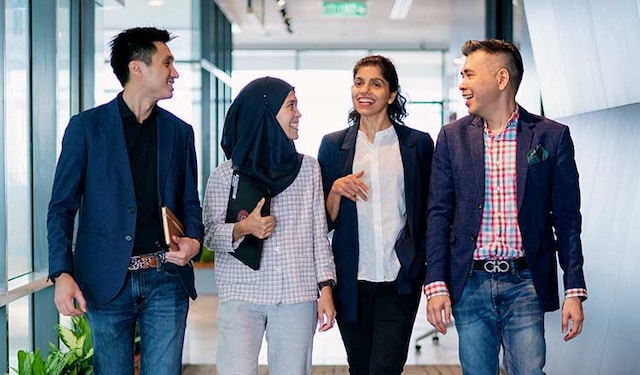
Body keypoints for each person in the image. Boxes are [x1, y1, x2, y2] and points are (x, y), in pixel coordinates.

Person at [424, 39, 587, 375]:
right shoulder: (451, 137)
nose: (462, 84)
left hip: (525, 281)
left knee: (528, 372)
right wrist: (436, 284)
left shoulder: (550, 137)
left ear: (501, 79)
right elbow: (438, 214)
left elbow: (568, 220)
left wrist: (574, 289)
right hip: (469, 282)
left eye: (469, 74)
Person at [47, 27, 204, 374]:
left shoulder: (179, 133)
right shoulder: (86, 128)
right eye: (167, 63)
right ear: (137, 68)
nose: (174, 73)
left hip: (166, 277)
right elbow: (61, 207)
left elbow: (190, 202)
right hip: (106, 281)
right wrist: (61, 273)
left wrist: (193, 240)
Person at [202, 76, 336, 375]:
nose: (298, 114)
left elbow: (319, 235)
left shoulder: (309, 169)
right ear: (266, 115)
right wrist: (242, 228)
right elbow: (209, 234)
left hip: (296, 294)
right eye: (291, 106)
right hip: (241, 295)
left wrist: (326, 288)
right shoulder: (226, 175)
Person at [318, 55, 434, 375]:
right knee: (359, 366)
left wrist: (421, 263)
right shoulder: (332, 146)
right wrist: (336, 190)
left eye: (375, 83)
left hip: (399, 279)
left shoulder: (418, 145)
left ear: (392, 94)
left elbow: (428, 211)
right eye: (358, 82)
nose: (364, 90)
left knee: (386, 367)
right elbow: (323, 222)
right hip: (351, 282)